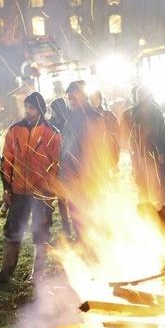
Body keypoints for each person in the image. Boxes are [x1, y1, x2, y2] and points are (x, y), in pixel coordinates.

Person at [0, 92, 62, 284]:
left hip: (41, 192)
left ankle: (37, 275)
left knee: (41, 232)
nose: (28, 111)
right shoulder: (15, 130)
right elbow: (7, 162)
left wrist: (51, 191)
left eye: (32, 108)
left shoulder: (52, 133)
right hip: (19, 191)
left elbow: (55, 165)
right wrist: (7, 188)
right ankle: (6, 272)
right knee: (12, 229)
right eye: (27, 107)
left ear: (41, 110)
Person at [58, 81, 105, 240]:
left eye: (74, 93)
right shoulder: (70, 118)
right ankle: (83, 243)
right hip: (71, 176)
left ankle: (93, 246)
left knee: (89, 213)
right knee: (77, 214)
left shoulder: (92, 116)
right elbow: (66, 146)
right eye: (68, 94)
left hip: (87, 177)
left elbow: (98, 147)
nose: (70, 96)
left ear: (83, 95)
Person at [121, 86, 165, 207]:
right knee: (147, 184)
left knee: (151, 184)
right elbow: (127, 135)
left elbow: (160, 133)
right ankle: (149, 209)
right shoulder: (134, 113)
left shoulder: (154, 112)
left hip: (149, 154)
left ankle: (153, 209)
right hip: (143, 154)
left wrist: (161, 152)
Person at [48, 97, 72, 235]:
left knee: (67, 198)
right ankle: (66, 227)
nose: (54, 112)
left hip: (66, 164)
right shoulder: (53, 123)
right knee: (62, 199)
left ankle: (69, 227)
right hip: (60, 165)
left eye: (55, 110)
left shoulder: (68, 121)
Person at [90, 90, 120, 169]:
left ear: (100, 100)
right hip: (93, 154)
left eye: (96, 99)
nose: (94, 101)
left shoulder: (109, 115)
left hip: (107, 151)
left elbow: (116, 135)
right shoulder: (87, 116)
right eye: (92, 99)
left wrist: (115, 160)